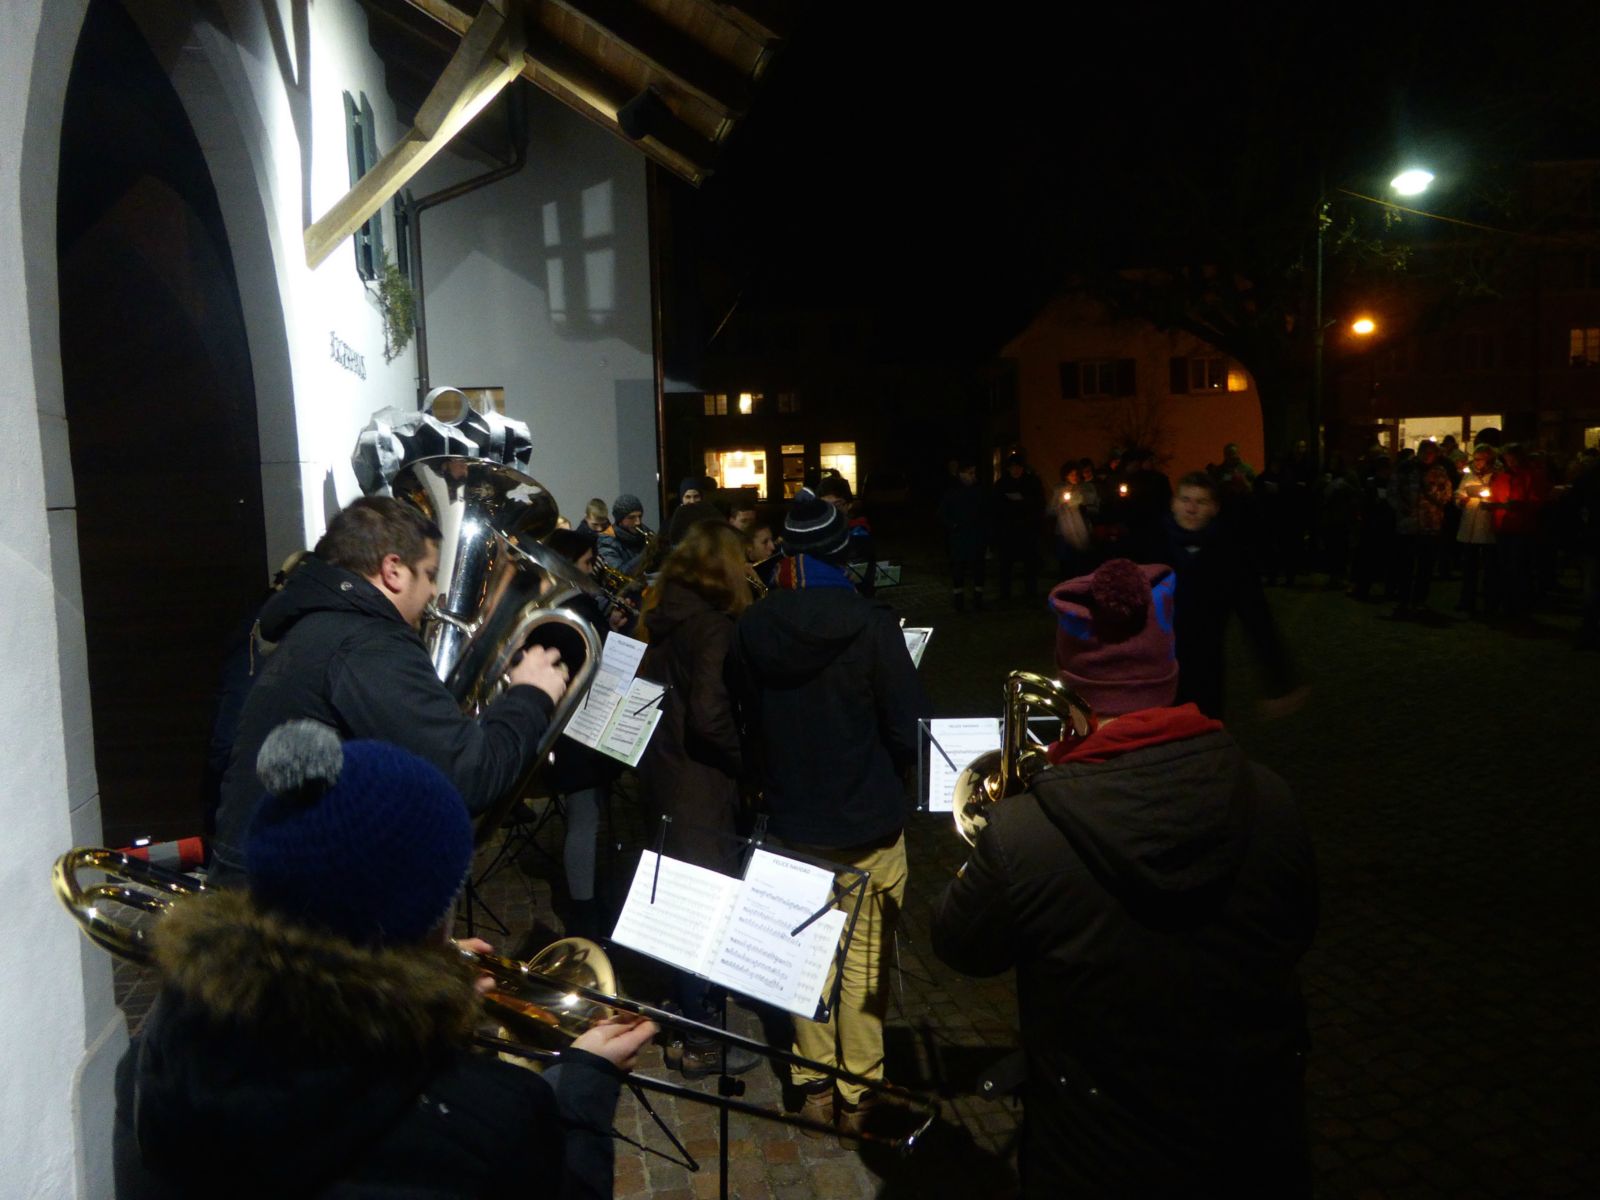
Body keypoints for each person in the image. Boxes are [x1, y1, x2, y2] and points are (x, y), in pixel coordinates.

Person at [116, 720, 657, 1198]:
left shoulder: (157, 1049)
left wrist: (418, 1003)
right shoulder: (495, 1115)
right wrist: (583, 1089)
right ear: (426, 918)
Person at [932, 558, 1317, 1198]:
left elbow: (958, 943)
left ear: (1070, 680)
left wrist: (999, 839)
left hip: (1094, 1153)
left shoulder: (1025, 834)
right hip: (1254, 1141)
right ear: (1170, 669)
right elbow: (1297, 928)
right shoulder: (1272, 797)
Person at [209, 497, 569, 885]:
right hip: (297, 896)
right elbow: (468, 778)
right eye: (430, 574)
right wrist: (530, 694)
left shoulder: (323, 626)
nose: (434, 592)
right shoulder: (367, 643)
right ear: (393, 570)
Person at [735, 488, 930, 1140]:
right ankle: (858, 1093)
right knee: (865, 962)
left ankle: (814, 1085)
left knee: (806, 959)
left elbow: (745, 718)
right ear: (841, 553)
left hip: (793, 818)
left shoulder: (756, 624)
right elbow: (908, 728)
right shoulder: (872, 623)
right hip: (866, 818)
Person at [636, 521, 760, 1078]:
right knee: (703, 909)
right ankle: (703, 1040)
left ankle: (684, 1022)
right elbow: (710, 717)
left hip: (664, 774)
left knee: (681, 903)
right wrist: (746, 761)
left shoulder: (664, 616)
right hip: (699, 784)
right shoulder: (712, 628)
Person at [1134, 471, 1298, 719]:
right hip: (1154, 666)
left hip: (1205, 668)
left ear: (1214, 508)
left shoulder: (1230, 553)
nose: (1191, 509)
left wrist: (1278, 682)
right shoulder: (1150, 546)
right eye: (1185, 499)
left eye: (1201, 502)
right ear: (1173, 503)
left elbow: (1257, 617)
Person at [991, 450, 1046, 603]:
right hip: (1008, 531)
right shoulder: (1002, 484)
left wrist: (1024, 502)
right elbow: (995, 507)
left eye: (1019, 467)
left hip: (1027, 530)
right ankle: (1005, 596)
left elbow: (1039, 503)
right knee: (1006, 565)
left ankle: (1031, 595)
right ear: (1008, 468)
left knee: (1030, 565)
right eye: (1013, 467)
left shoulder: (1032, 482)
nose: (1016, 470)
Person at [937, 459, 988, 610]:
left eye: (974, 473)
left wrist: (986, 533)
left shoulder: (979, 491)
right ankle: (959, 599)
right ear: (962, 474)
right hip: (959, 537)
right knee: (959, 569)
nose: (973, 476)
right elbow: (941, 513)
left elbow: (986, 513)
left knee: (978, 569)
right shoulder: (952, 491)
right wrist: (953, 525)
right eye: (970, 473)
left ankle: (978, 599)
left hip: (976, 536)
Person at [597, 493, 649, 577]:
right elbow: (619, 574)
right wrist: (647, 553)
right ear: (620, 520)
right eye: (631, 518)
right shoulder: (606, 541)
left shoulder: (644, 531)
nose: (638, 522)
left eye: (640, 516)